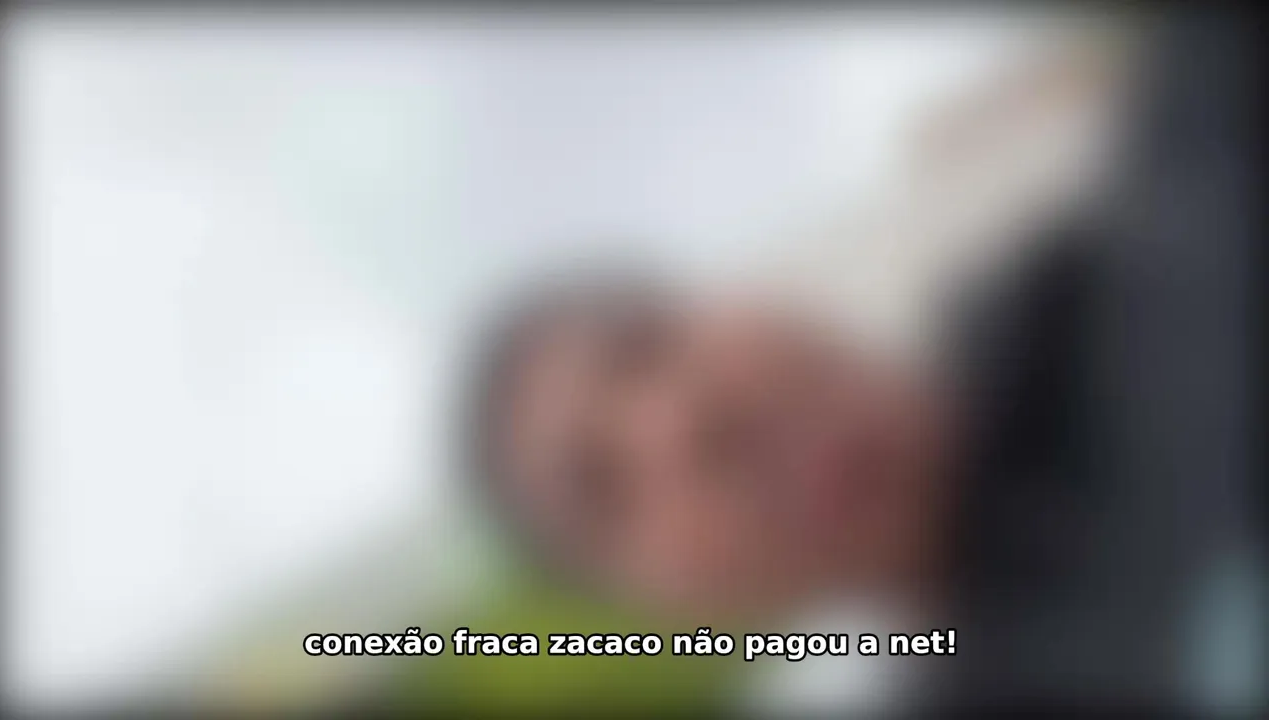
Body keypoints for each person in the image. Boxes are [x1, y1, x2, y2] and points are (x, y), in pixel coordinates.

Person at [462, 14, 1256, 711]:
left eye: (645, 343)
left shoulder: (1207, 158)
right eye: (605, 488)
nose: (680, 425)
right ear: (661, 608)